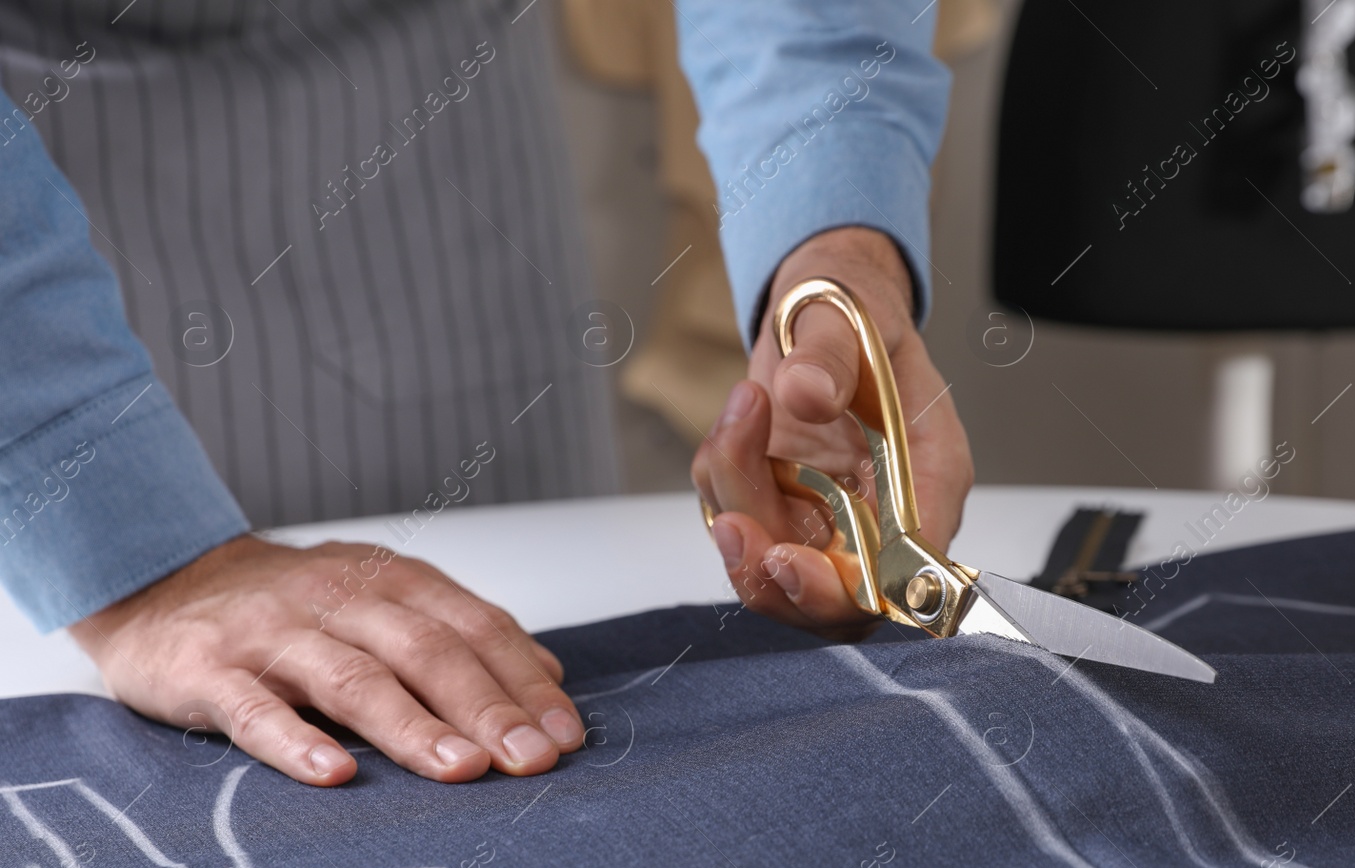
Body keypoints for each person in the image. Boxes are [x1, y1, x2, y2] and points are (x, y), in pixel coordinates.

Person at [0, 0, 972, 786]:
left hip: (427, 118)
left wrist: (832, 248)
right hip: (47, 141)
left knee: (535, 715)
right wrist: (140, 564)